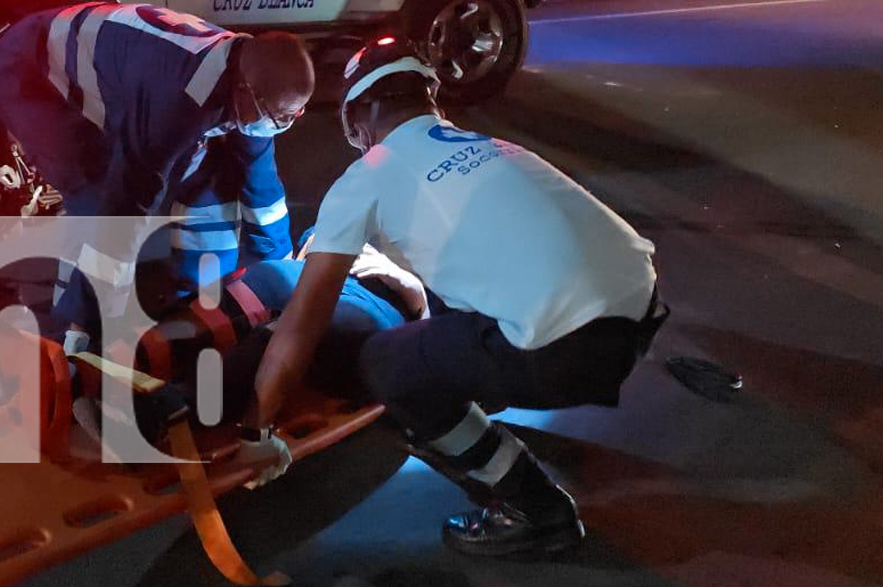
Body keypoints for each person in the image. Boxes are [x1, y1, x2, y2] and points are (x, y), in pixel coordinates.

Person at [245, 38, 667, 556]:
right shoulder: (496, 147)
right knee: (453, 315)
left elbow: (299, 328)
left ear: (358, 121)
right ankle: (484, 392)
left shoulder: (366, 177)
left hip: (570, 349)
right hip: (641, 305)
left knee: (388, 365)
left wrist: (258, 429)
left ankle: (535, 508)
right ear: (432, 100)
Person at [0, 2, 313, 338]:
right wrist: (87, 321)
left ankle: (158, 312)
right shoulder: (180, 100)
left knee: (198, 184)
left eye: (291, 117)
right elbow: (125, 208)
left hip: (125, 71)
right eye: (277, 117)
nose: (277, 127)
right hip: (32, 72)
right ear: (243, 91)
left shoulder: (251, 77)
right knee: (99, 196)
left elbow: (261, 183)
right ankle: (69, 337)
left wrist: (280, 273)